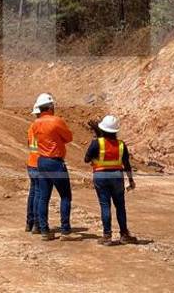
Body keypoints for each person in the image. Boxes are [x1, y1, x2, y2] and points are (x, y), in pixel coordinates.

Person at [84, 115, 137, 245]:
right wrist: (131, 180)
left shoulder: (97, 143)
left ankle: (107, 236)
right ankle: (124, 234)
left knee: (105, 205)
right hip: (117, 177)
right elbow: (127, 164)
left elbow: (86, 159)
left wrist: (94, 160)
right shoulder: (121, 145)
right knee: (120, 206)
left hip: (101, 177)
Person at [32, 93, 77, 241]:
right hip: (55, 162)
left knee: (44, 197)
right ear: (50, 107)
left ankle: (44, 231)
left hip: (41, 161)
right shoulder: (56, 121)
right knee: (65, 196)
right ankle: (65, 231)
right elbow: (68, 138)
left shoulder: (35, 123)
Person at [25, 104, 41, 233]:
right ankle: (37, 224)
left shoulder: (31, 128)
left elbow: (29, 144)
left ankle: (29, 223)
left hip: (31, 162)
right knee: (39, 195)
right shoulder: (43, 127)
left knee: (32, 193)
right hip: (40, 164)